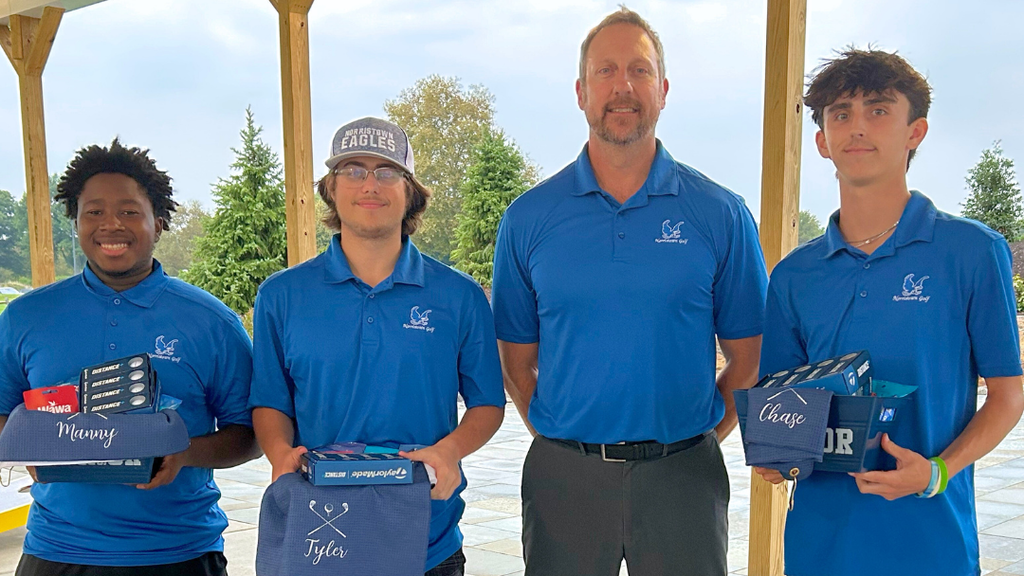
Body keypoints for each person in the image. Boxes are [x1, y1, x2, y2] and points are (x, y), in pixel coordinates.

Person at [491, 7, 767, 575]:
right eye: (605, 71)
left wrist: (697, 438)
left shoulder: (720, 214)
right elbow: (516, 365)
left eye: (640, 70)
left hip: (684, 477)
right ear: (580, 91)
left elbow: (750, 359)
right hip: (564, 479)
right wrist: (565, 441)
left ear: (663, 90)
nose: (623, 87)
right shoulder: (528, 219)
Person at [755, 48, 1024, 576]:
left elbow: (1009, 396)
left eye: (878, 110)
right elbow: (780, 408)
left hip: (932, 541)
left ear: (914, 132)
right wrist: (774, 452)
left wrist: (938, 473)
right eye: (840, 114)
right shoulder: (793, 275)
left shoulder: (971, 252)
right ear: (821, 142)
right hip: (820, 544)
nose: (857, 127)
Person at [249, 116, 506, 576]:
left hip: (426, 537)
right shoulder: (281, 295)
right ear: (330, 188)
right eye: (353, 170)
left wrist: (449, 452)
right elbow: (270, 400)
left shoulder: (459, 296)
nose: (370, 184)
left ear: (409, 191)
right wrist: (279, 453)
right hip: (320, 534)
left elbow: (487, 404)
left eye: (387, 172)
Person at [0, 138, 260, 576]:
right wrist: (28, 443)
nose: (111, 225)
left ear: (158, 223)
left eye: (129, 211)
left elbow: (250, 435)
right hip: (57, 550)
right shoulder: (26, 316)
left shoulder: (211, 321)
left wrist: (182, 453)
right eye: (94, 212)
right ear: (76, 222)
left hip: (180, 554)